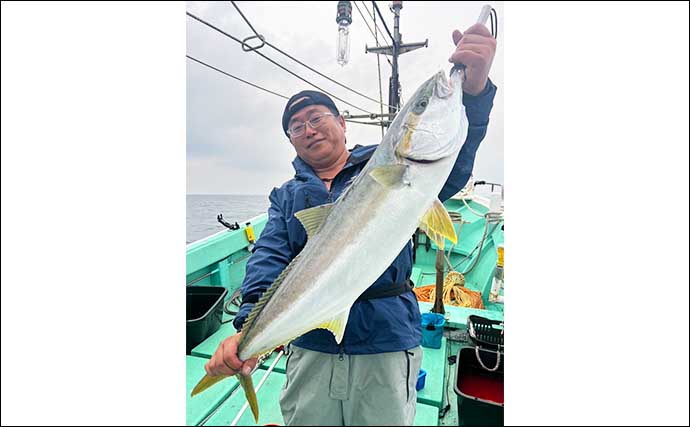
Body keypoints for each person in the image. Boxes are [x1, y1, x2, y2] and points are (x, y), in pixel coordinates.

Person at [204, 23, 497, 426]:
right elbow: (267, 259)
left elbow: (456, 164)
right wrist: (247, 329)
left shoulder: (389, 165)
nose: (308, 129)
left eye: (316, 117)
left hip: (386, 342)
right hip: (312, 347)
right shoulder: (287, 197)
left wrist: (476, 94)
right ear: (291, 141)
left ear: (342, 123)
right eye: (296, 126)